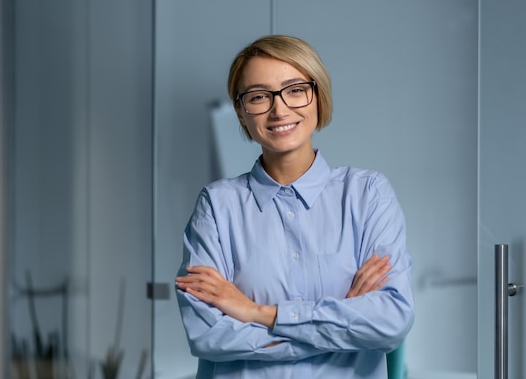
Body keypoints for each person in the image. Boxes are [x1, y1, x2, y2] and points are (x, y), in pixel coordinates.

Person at [175, 35, 414, 379]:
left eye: (295, 90)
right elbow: (207, 335)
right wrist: (344, 324)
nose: (280, 109)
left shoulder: (368, 195)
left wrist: (258, 312)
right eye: (258, 97)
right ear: (241, 112)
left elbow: (391, 322)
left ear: (318, 97)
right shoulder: (217, 206)